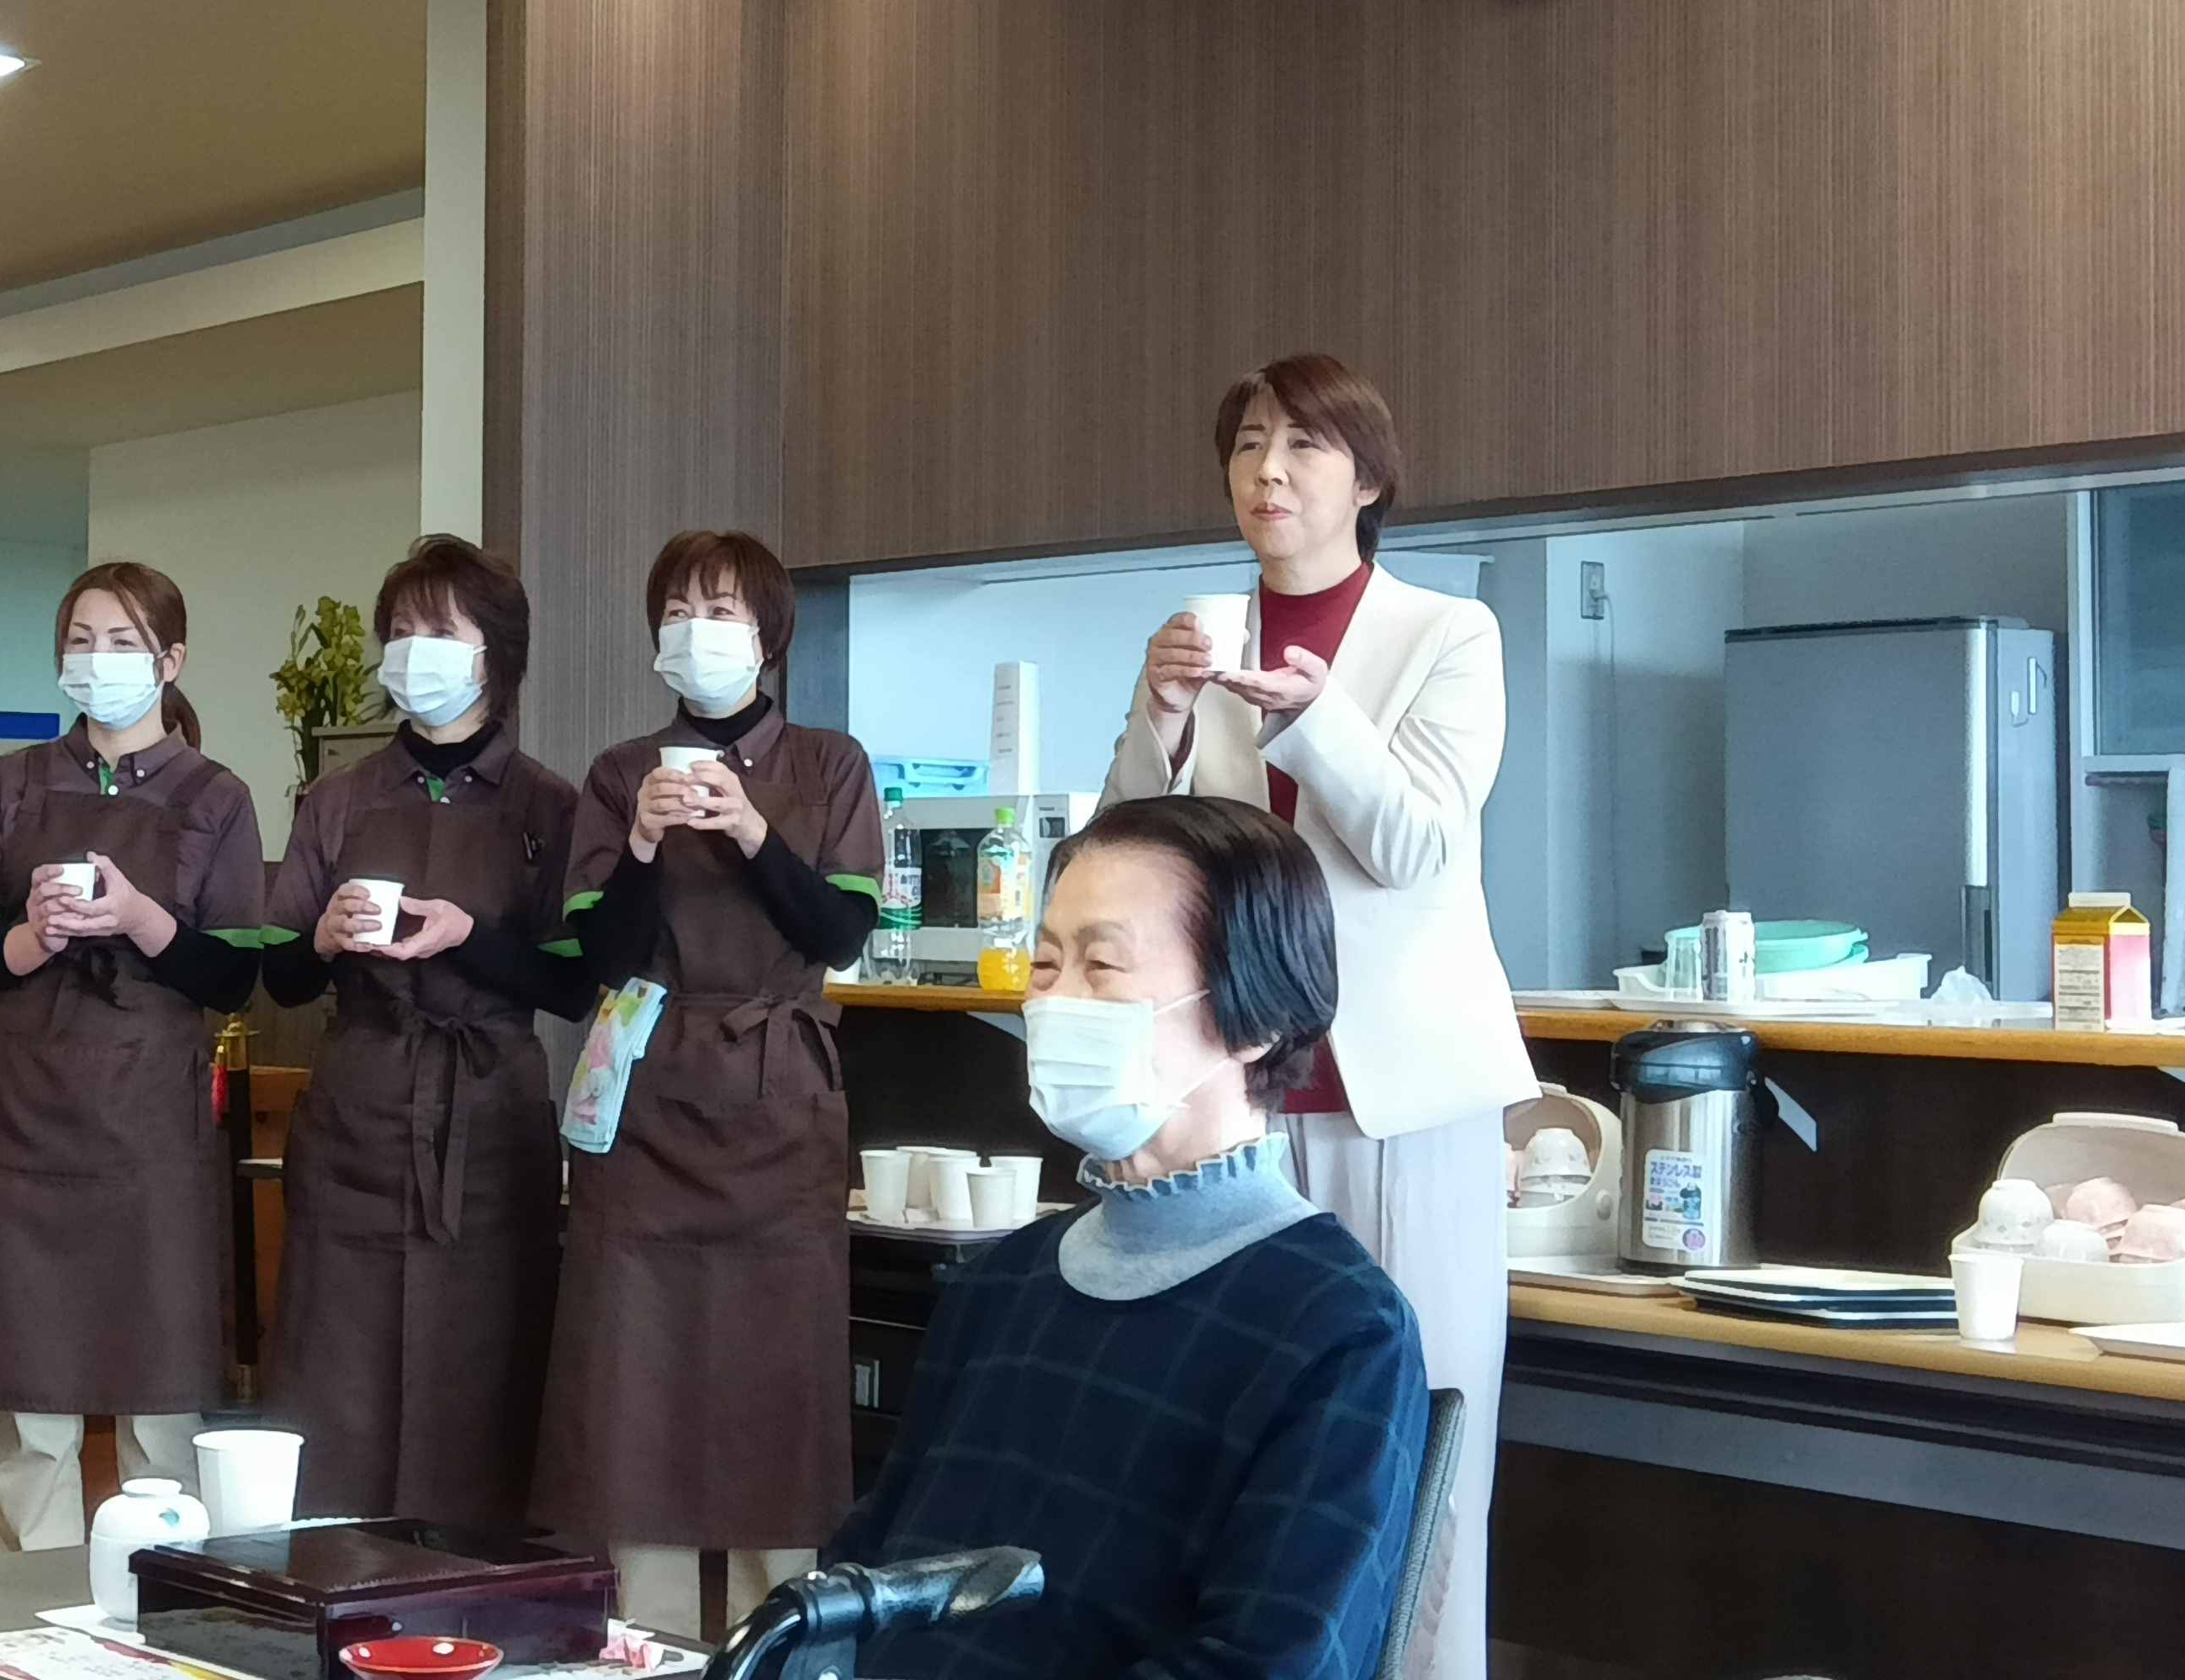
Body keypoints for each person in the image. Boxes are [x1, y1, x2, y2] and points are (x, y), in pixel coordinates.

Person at [1099, 354, 1537, 1680]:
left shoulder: (1448, 635)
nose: (1269, 471)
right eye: (1247, 444)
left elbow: (1416, 846)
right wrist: (1161, 719)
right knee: (1242, 1436)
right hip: (1243, 1101)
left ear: (1370, 478)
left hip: (1405, 1100)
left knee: (1422, 1439)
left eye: (1303, 445)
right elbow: (1130, 864)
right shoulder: (1203, 634)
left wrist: (1314, 718)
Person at [827, 797, 1429, 1680]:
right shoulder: (1001, 1281)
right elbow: (864, 1579)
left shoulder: (1337, 1327)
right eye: (1044, 963)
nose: (1054, 1000)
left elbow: (1272, 1664)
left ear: (1256, 1016)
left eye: (1101, 964)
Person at [533, 529, 883, 1637]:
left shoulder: (830, 765)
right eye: (679, 611)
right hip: (646, 1094)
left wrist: (751, 830)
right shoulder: (617, 774)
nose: (697, 631)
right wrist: (640, 843)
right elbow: (594, 958)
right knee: (635, 1375)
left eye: (722, 611)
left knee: (779, 1375)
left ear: (769, 637)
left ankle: (782, 1641)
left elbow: (839, 932)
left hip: (779, 1093)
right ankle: (649, 1639)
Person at [0, 563, 268, 1551]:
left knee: (158, 1389)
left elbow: (234, 974)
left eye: (121, 641)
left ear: (171, 659)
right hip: (24, 1109)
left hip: (148, 1117)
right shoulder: (12, 782)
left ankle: (158, 1594)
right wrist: (34, 936)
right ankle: (25, 1599)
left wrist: (140, 917)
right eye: (80, 639)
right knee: (27, 1393)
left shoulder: (216, 796)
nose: (96, 659)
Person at [261, 535, 586, 1528]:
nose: (412, 649)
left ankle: (478, 1575)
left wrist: (469, 937)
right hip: (358, 1101)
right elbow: (277, 974)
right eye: (399, 629)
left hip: (487, 1110)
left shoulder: (547, 805)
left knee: (484, 1355)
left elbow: (573, 983)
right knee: (336, 1356)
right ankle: (331, 1570)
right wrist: (321, 937)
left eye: (438, 629)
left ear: (493, 655)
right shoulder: (337, 797)